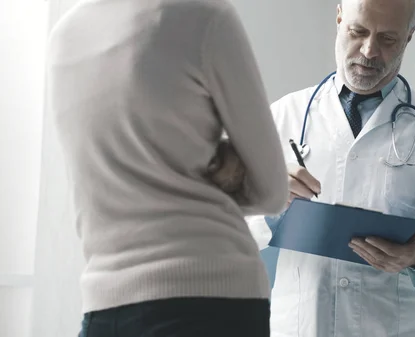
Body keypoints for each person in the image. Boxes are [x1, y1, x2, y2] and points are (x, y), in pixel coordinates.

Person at [46, 0, 288, 336]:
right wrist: (206, 168)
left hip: (105, 305)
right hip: (212, 301)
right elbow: (273, 190)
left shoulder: (63, 35)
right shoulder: (206, 16)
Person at [246, 0, 415, 336]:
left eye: (388, 39)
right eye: (358, 32)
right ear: (340, 19)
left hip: (397, 326)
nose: (369, 51)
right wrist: (271, 203)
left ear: (409, 37)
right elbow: (235, 226)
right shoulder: (285, 115)